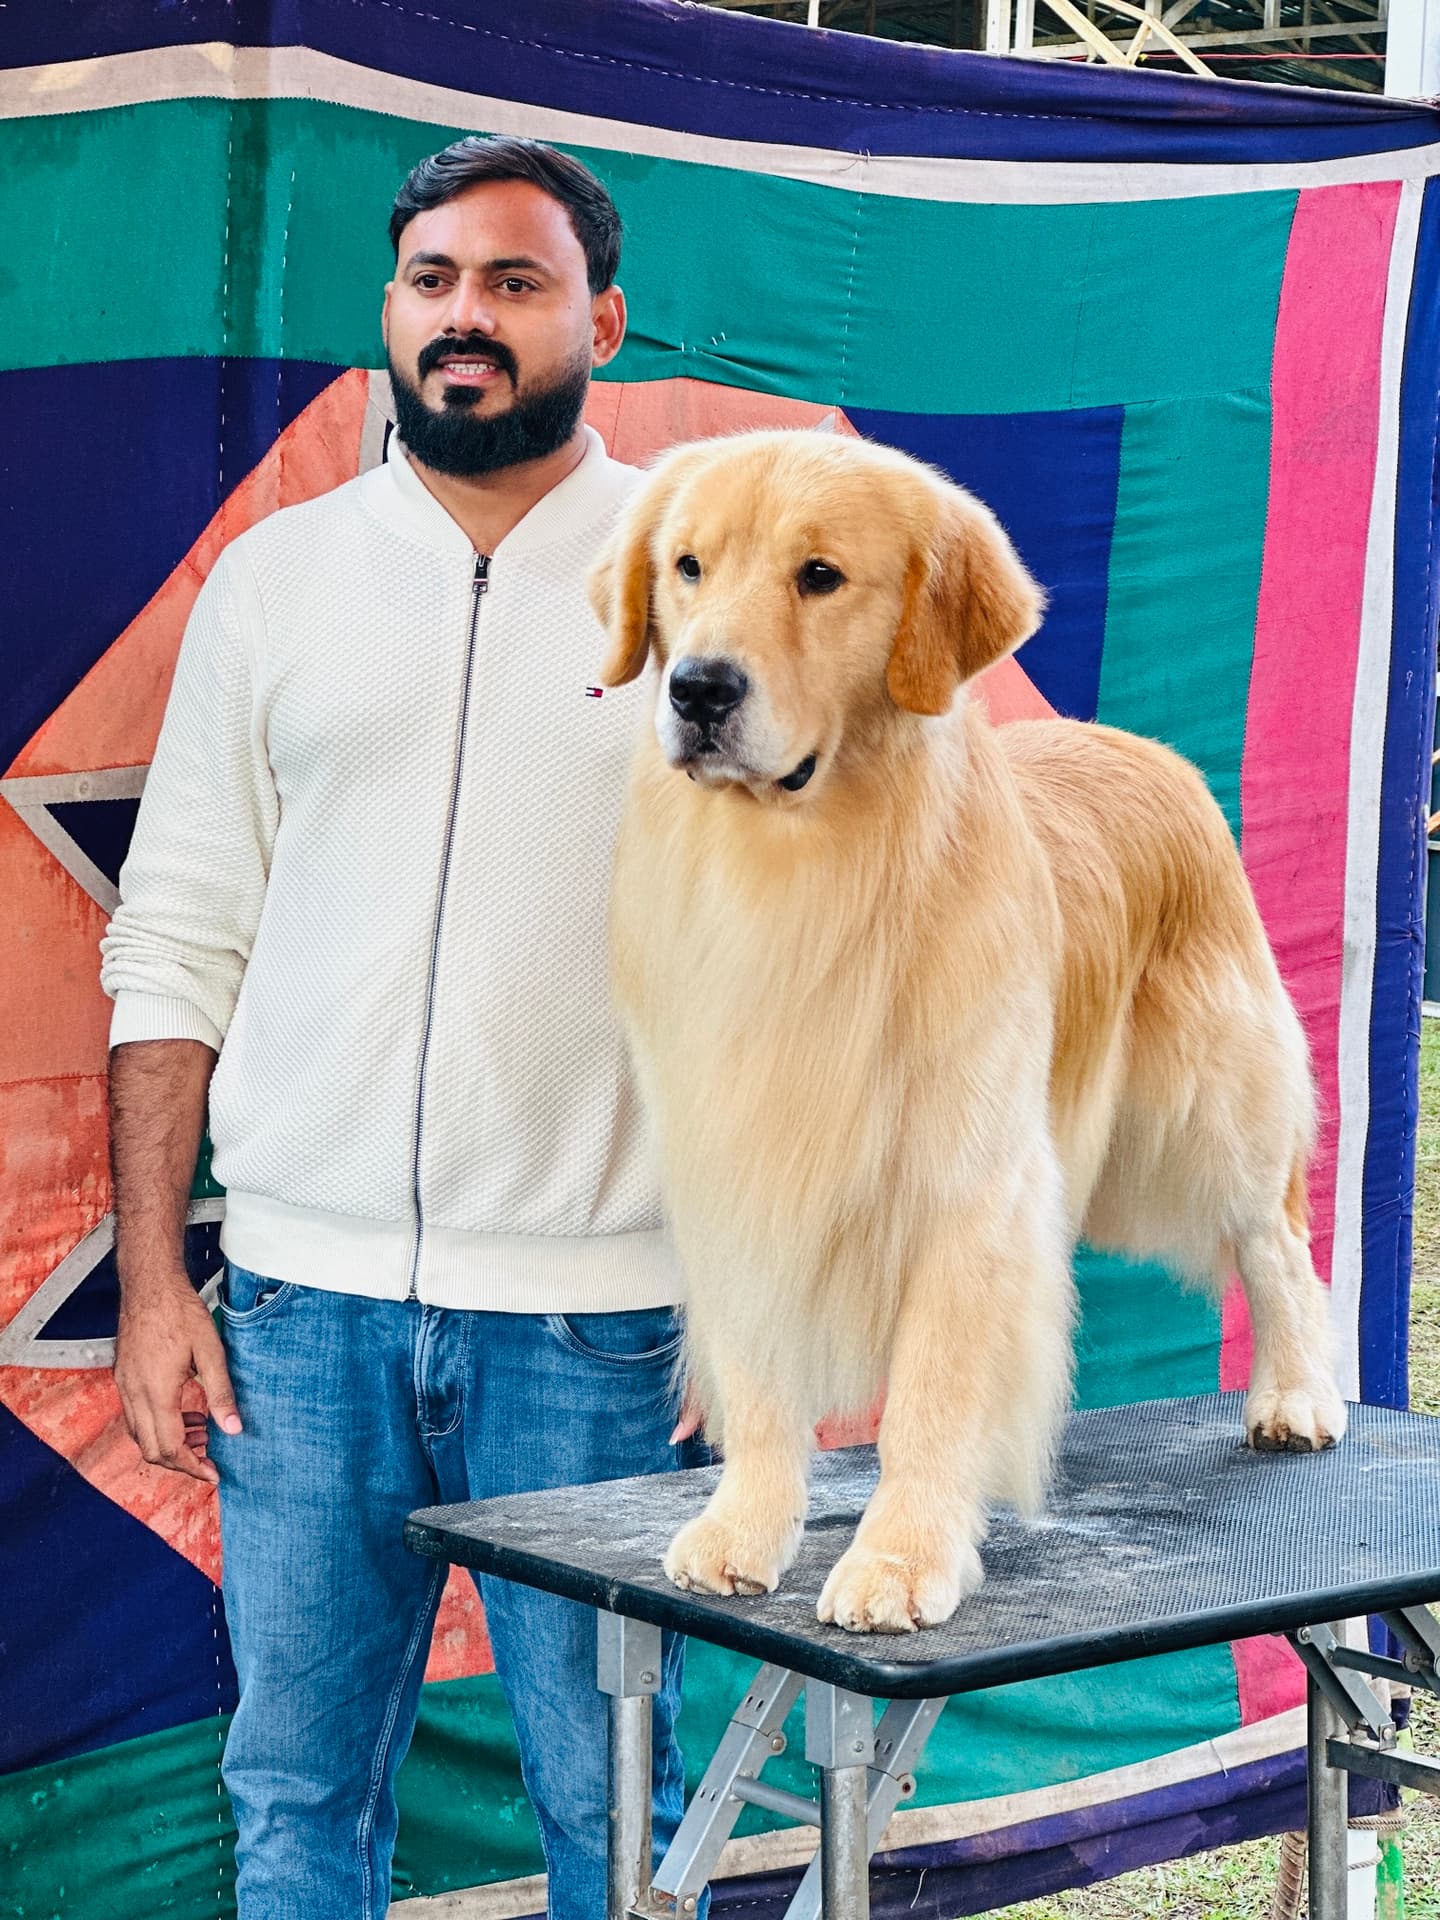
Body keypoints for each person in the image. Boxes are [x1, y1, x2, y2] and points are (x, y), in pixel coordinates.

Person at [101, 135, 700, 1920]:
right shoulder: (276, 584)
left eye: (516, 284)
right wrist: (153, 1282)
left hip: (601, 1328)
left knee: (616, 1803)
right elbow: (179, 935)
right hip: (299, 1319)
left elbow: (811, 963)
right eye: (434, 281)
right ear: (390, 311)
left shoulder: (705, 579)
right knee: (290, 1788)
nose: (468, 319)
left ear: (602, 315)